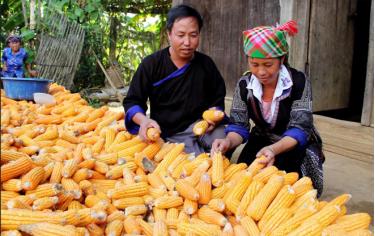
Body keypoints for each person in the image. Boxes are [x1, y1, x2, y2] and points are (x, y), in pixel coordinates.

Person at [211, 21, 325, 196]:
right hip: (263, 138)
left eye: (268, 65)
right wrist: (228, 141)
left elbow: (300, 129)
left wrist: (274, 150)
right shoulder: (245, 85)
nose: (261, 72)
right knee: (243, 182)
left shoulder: (299, 82)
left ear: (282, 60)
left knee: (286, 188)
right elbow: (239, 126)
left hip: (293, 143)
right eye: (254, 64)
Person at [123, 4, 226, 154]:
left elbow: (217, 99)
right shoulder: (151, 64)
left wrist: (214, 115)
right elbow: (132, 101)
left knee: (223, 141)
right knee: (193, 161)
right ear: (169, 34)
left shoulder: (206, 64)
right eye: (181, 35)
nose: (187, 42)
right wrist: (144, 121)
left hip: (202, 126)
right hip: (169, 132)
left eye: (193, 35)